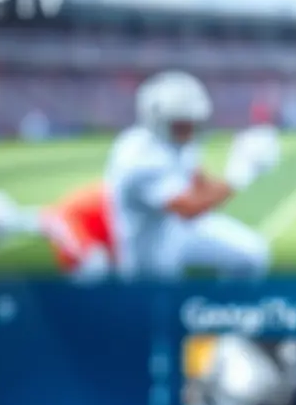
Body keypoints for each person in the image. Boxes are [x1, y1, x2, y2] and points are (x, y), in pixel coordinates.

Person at [104, 71, 276, 280]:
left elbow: (201, 189)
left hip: (179, 230)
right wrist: (241, 174)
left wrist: (239, 157)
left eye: (192, 122)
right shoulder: (138, 158)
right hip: (149, 247)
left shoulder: (177, 139)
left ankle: (225, 309)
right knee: (161, 304)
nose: (190, 130)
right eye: (182, 124)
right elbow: (189, 208)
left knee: (252, 254)